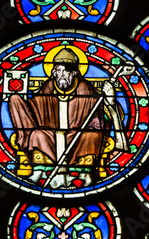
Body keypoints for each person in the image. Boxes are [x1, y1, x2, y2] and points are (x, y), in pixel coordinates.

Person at [6, 46, 125, 188]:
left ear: (74, 72)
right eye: (57, 71)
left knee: (91, 135)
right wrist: (16, 102)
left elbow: (105, 114)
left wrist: (110, 101)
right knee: (37, 134)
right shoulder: (48, 87)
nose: (61, 75)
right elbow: (33, 109)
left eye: (65, 71)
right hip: (50, 137)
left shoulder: (85, 89)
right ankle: (39, 169)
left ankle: (85, 173)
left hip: (77, 139)